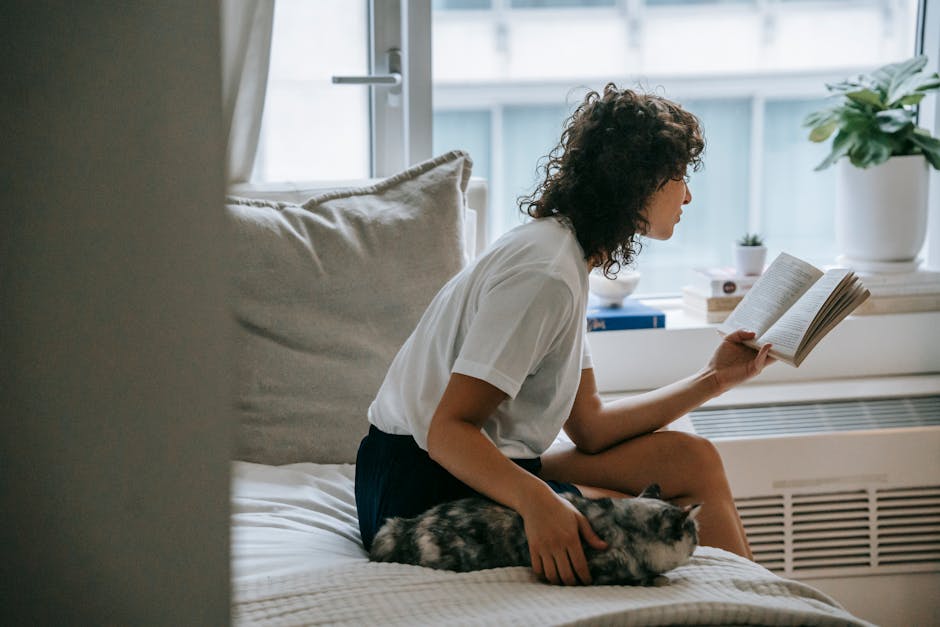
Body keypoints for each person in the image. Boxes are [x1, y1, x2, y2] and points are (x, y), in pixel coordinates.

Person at [355, 83, 775, 587]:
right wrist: (540, 503)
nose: (687, 195)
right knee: (659, 516)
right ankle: (756, 603)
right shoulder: (545, 274)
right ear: (638, 182)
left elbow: (591, 427)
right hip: (420, 492)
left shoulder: (564, 255)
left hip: (450, 464)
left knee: (691, 457)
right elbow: (448, 431)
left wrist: (715, 378)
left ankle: (759, 596)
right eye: (678, 177)